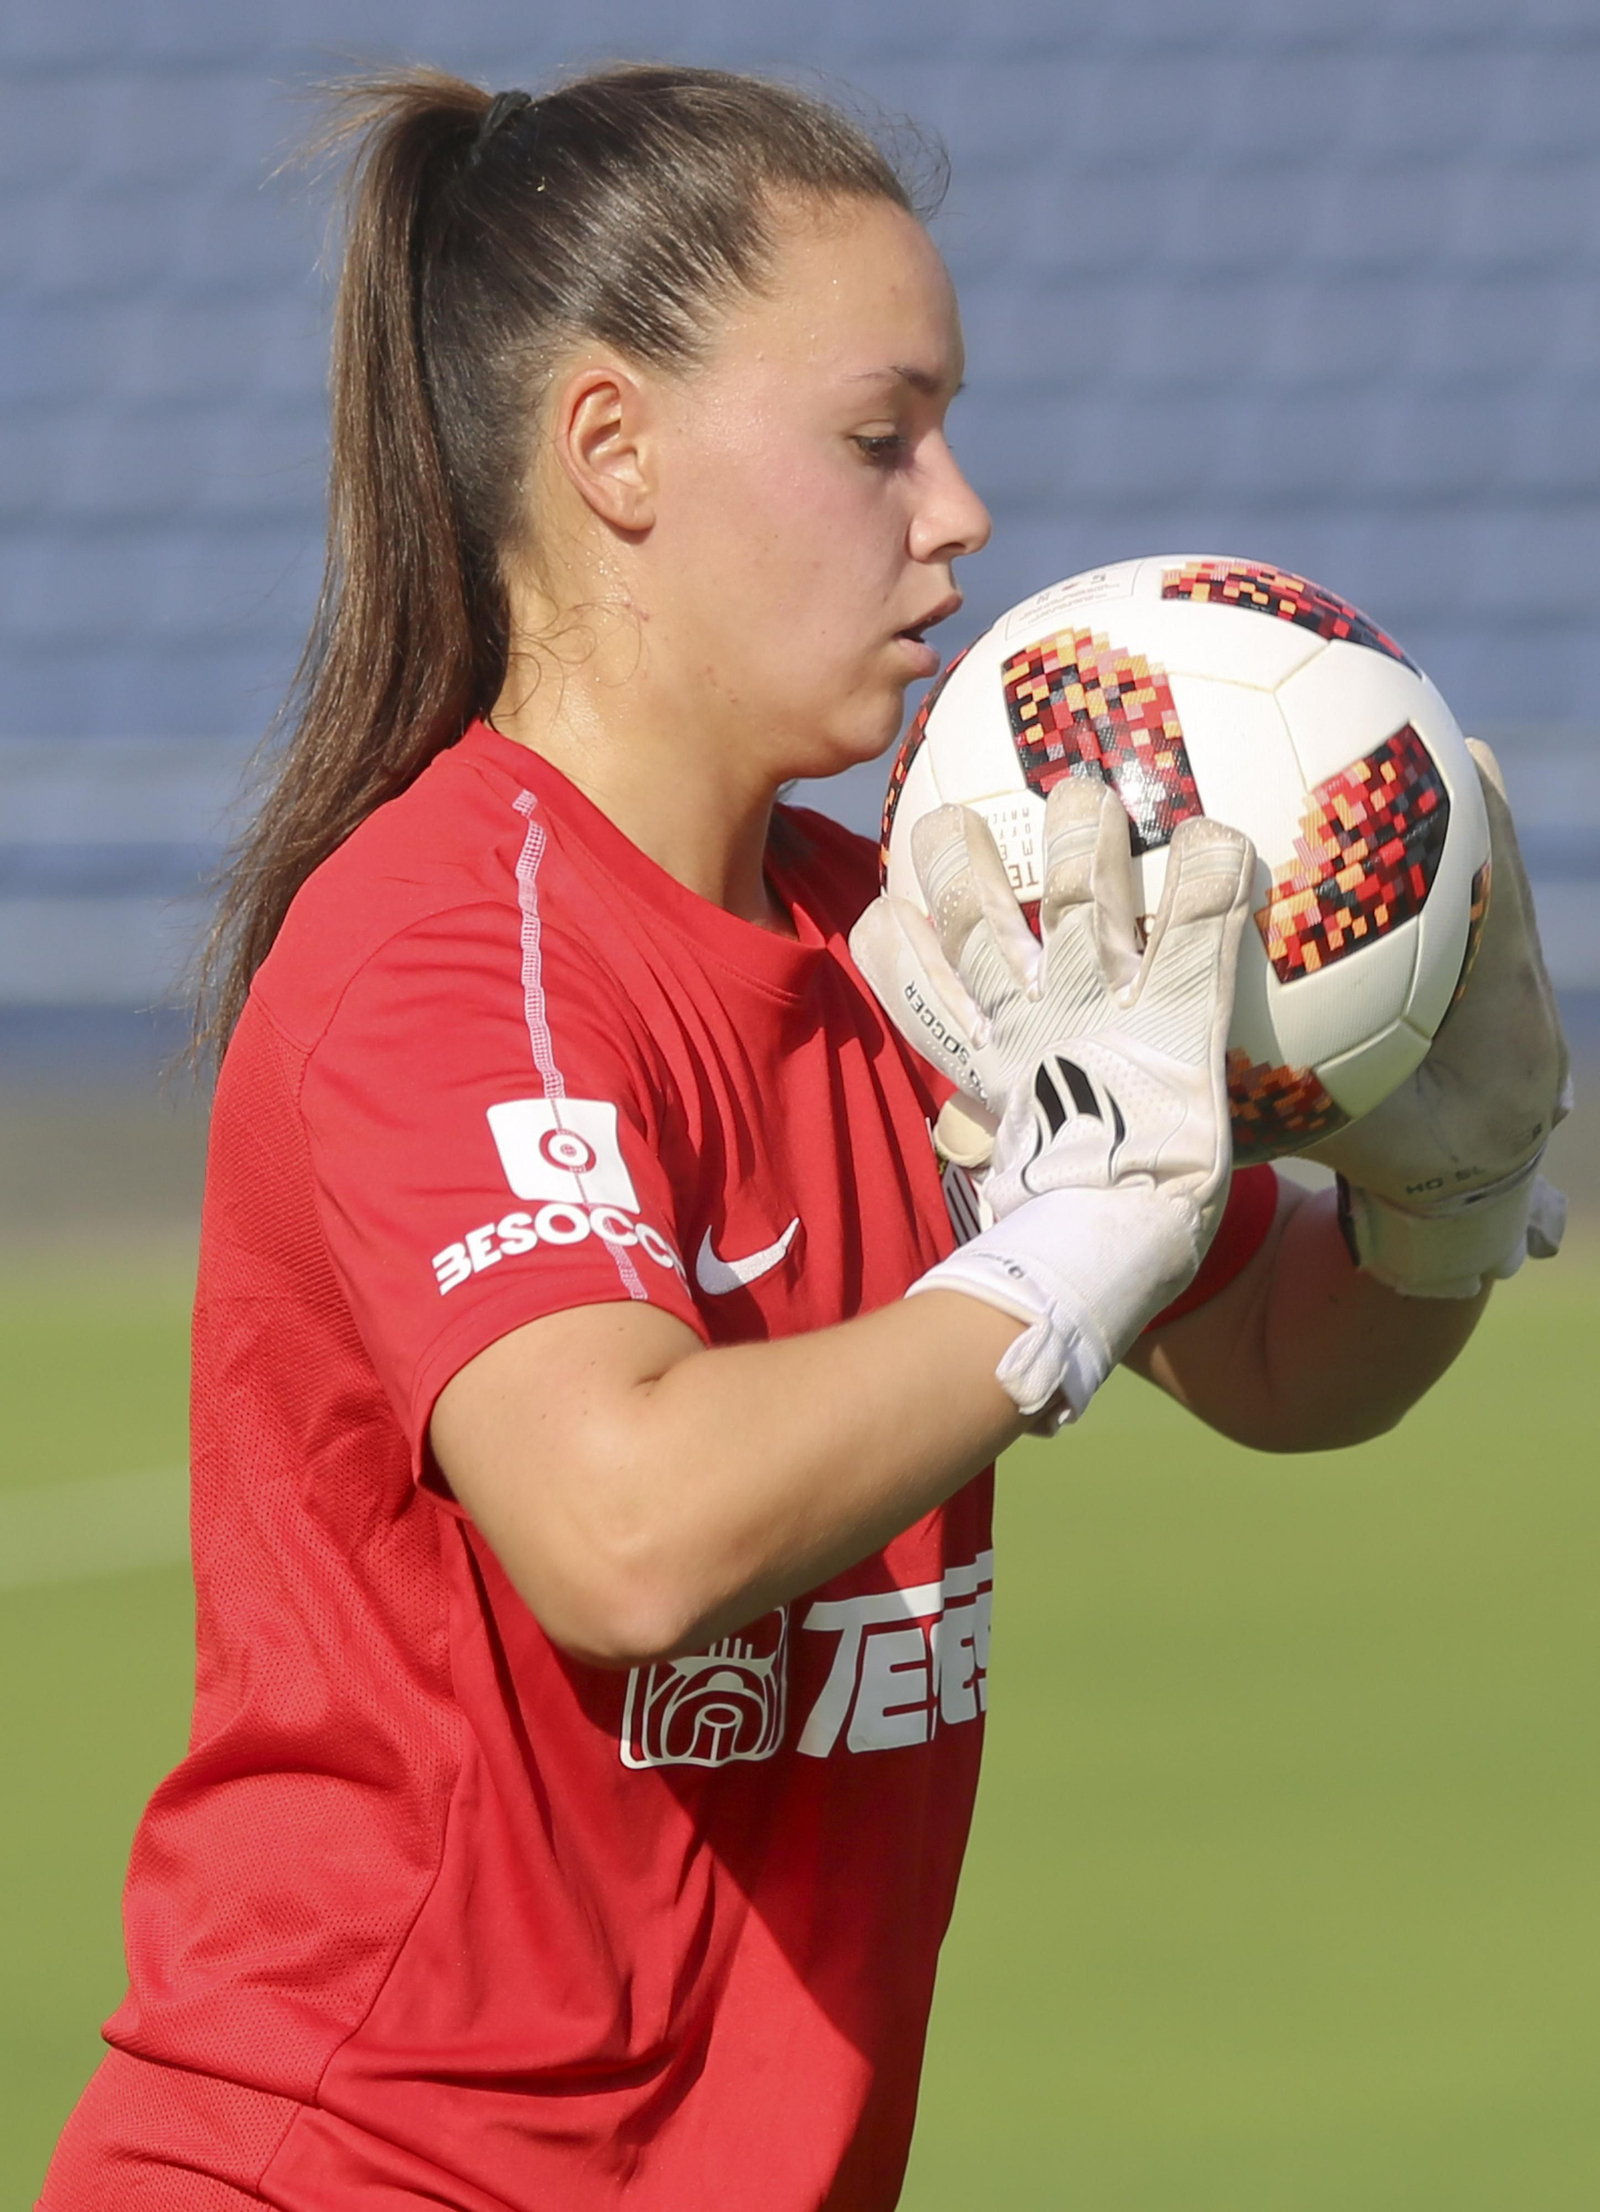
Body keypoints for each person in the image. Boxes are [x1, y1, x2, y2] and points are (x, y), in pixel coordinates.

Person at [40, 62, 1568, 2212]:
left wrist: (1442, 1189)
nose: (955, 510)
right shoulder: (451, 951)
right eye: (880, 436)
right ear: (613, 452)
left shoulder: (913, 936)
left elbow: (1274, 1365)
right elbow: (628, 1528)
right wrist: (1056, 1260)